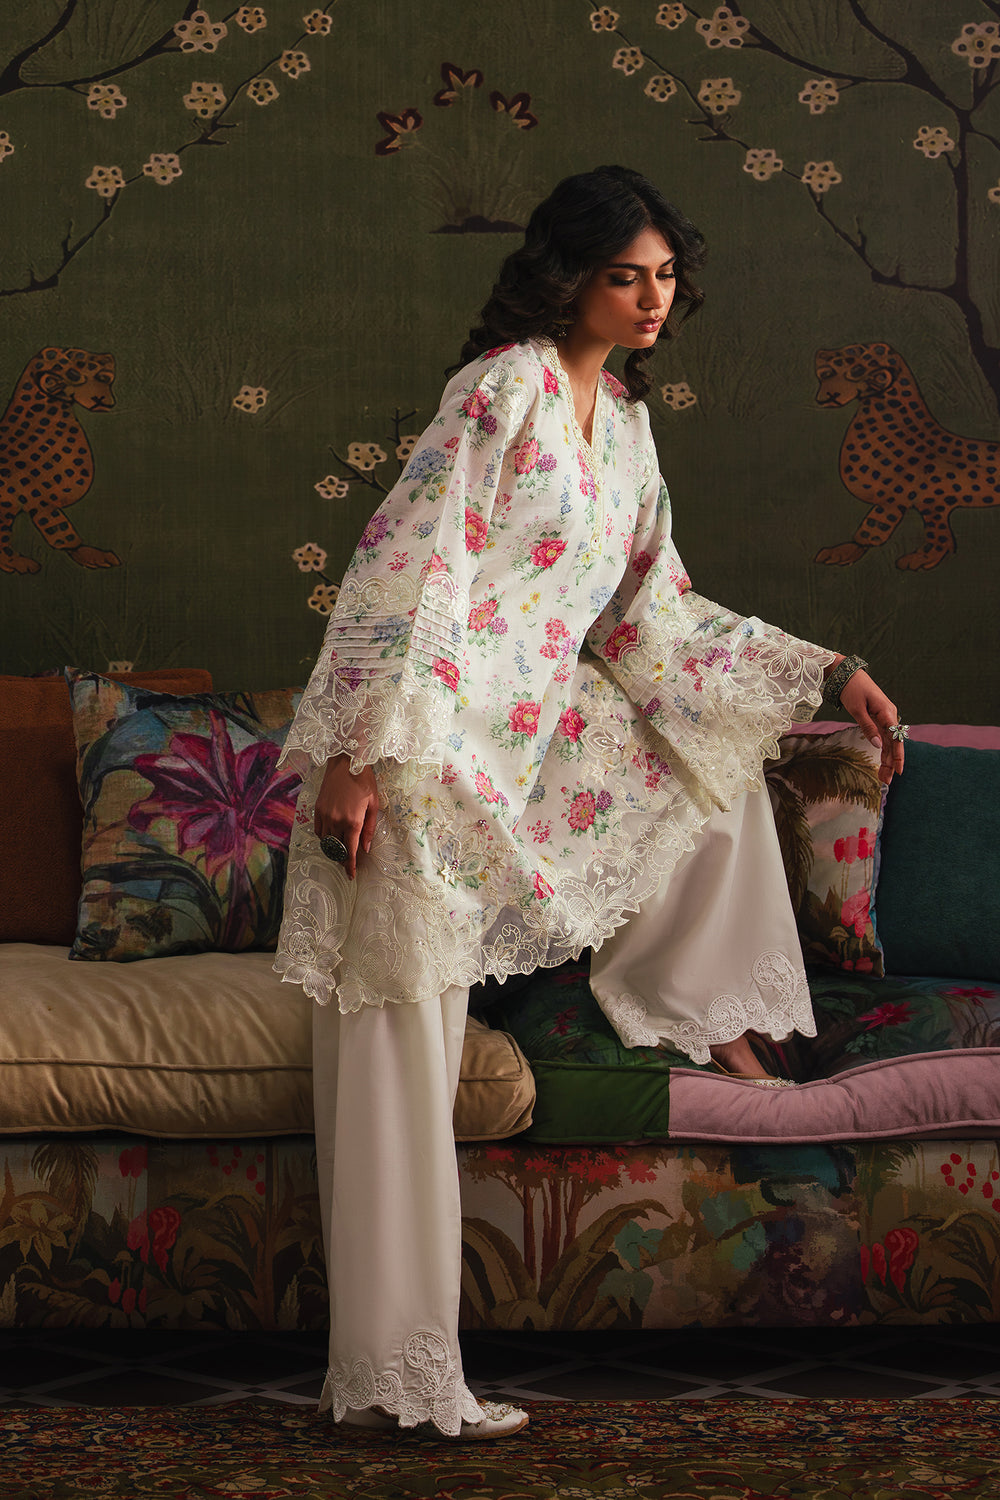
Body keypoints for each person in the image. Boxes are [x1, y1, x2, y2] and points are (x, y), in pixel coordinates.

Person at [274, 165, 905, 1440]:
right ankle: (397, 1380)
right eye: (626, 276)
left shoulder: (620, 421)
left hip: (513, 762)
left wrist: (825, 671)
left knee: (710, 760)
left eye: (666, 277)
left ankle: (689, 1007)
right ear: (570, 278)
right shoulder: (500, 387)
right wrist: (354, 756)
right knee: (398, 1067)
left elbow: (648, 618)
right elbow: (406, 566)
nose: (653, 299)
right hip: (412, 757)